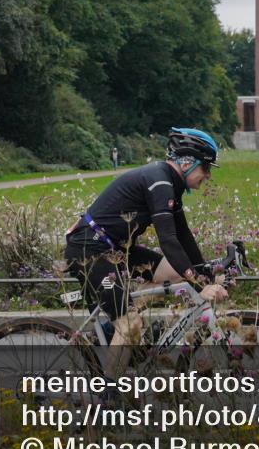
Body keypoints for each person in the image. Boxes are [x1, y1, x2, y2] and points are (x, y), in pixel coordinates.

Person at [63, 128, 227, 380]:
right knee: (131, 326)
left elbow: (184, 237)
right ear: (187, 162)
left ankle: (114, 325)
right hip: (90, 250)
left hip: (115, 248)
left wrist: (207, 272)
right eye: (206, 167)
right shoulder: (159, 180)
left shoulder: (171, 184)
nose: (208, 175)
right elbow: (168, 240)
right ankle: (110, 401)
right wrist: (198, 282)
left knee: (174, 273)